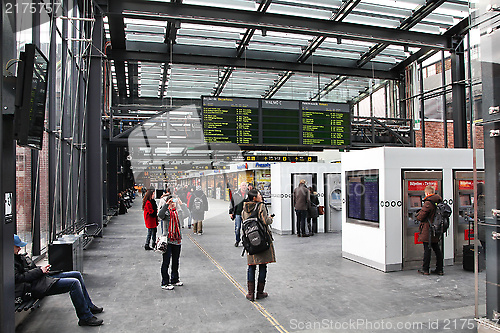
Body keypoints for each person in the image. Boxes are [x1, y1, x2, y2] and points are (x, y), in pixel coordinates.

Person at [14, 234, 103, 326]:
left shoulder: (17, 257)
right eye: (17, 246)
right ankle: (85, 317)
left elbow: (28, 271)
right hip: (33, 287)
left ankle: (89, 306)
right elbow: (19, 278)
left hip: (39, 279)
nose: (19, 249)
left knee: (77, 275)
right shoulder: (9, 262)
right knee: (73, 283)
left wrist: (41, 269)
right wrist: (39, 271)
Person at [242, 189, 275, 301]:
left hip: (250, 242)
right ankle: (260, 292)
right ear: (255, 198)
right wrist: (270, 219)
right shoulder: (261, 206)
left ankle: (250, 293)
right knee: (262, 265)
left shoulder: (244, 209)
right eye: (259, 194)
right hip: (261, 240)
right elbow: (265, 221)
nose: (261, 196)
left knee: (251, 267)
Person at [416, 185, 444, 275]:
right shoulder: (439, 201)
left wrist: (417, 215)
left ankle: (425, 269)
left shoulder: (428, 203)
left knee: (427, 250)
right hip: (436, 229)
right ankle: (439, 269)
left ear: (427, 193)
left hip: (428, 230)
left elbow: (421, 217)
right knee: (437, 249)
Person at [158, 198, 184, 290]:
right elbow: (159, 215)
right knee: (166, 262)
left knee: (175, 261)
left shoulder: (178, 213)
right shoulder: (166, 213)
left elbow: (187, 214)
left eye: (174, 203)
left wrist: (181, 204)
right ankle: (165, 282)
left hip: (177, 240)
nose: (173, 204)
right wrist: (166, 204)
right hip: (168, 240)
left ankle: (175, 279)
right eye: (171, 202)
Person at [229, 182, 248, 247]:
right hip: (238, 213)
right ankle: (237, 240)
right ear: (240, 186)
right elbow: (232, 203)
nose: (244, 187)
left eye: (245, 185)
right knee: (237, 228)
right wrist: (230, 212)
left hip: (246, 214)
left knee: (246, 228)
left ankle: (245, 241)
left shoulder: (248, 194)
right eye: (243, 185)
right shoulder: (236, 194)